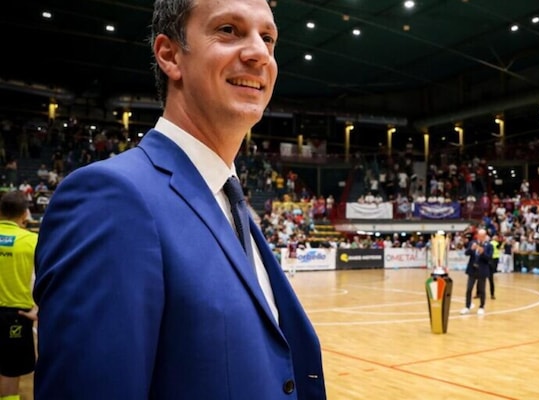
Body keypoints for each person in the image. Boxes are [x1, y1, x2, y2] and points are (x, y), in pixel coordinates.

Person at [33, 0, 325, 398]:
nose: (259, 52)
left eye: (268, 37)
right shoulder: (111, 198)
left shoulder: (232, 204)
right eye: (228, 30)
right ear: (170, 55)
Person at [0, 191, 38, 400]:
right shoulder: (32, 241)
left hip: (13, 313)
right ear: (25, 214)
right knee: (10, 371)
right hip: (16, 315)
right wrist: (39, 310)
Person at [461, 228, 493, 315]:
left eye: (483, 236)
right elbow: (466, 253)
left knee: (482, 290)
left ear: (485, 236)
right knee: (469, 289)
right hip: (472, 270)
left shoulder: (489, 245)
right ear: (478, 235)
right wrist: (471, 249)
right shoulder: (472, 243)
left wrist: (482, 252)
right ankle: (467, 306)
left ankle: (481, 306)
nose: (481, 237)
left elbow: (489, 259)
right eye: (480, 235)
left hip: (482, 270)